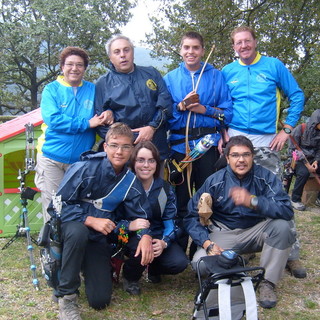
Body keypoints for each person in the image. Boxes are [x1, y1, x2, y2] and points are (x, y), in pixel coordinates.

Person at [222, 26, 306, 278]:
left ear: (255, 42)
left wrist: (288, 129)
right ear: (233, 46)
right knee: (240, 195)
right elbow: (220, 105)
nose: (243, 46)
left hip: (268, 142)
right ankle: (247, 246)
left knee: (276, 195)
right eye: (238, 42)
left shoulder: (273, 66)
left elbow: (297, 95)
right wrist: (222, 133)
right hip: (236, 142)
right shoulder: (228, 71)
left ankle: (291, 253)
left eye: (247, 41)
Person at [48, 123, 154, 320]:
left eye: (125, 146)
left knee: (100, 301)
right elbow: (56, 207)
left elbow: (141, 214)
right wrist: (89, 219)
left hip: (98, 238)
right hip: (73, 228)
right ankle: (67, 296)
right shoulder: (83, 168)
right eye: (114, 145)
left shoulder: (130, 181)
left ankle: (80, 266)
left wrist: (145, 237)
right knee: (78, 233)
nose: (119, 151)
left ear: (132, 149)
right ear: (105, 147)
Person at [184, 135, 296, 309]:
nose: (241, 160)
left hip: (256, 230)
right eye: (235, 155)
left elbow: (286, 210)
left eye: (246, 154)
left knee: (282, 227)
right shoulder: (214, 181)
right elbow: (190, 216)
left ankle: (267, 282)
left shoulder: (265, 177)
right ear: (227, 158)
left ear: (253, 156)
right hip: (223, 232)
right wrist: (207, 244)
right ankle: (236, 260)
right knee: (200, 265)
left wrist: (253, 201)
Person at [163, 31, 233, 251]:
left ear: (202, 50)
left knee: (207, 199)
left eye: (195, 47)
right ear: (181, 50)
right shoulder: (170, 79)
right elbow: (163, 115)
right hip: (179, 148)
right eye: (186, 47)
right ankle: (177, 249)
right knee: (180, 200)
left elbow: (228, 114)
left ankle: (202, 250)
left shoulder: (216, 76)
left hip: (208, 146)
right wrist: (181, 106)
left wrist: (205, 109)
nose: (190, 52)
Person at [35, 46, 105, 223]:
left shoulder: (92, 89)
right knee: (53, 207)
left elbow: (103, 109)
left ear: (85, 68)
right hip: (52, 159)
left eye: (79, 65)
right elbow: (54, 120)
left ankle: (73, 248)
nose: (74, 68)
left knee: (77, 206)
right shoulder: (51, 90)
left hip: (80, 161)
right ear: (62, 67)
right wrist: (87, 124)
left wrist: (108, 113)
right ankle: (52, 249)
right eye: (70, 64)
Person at [94, 34, 173, 163]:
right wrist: (128, 140)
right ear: (110, 57)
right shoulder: (103, 83)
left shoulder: (151, 73)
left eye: (126, 50)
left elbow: (166, 105)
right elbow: (101, 124)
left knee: (156, 183)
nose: (122, 55)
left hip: (156, 147)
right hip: (124, 155)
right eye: (117, 52)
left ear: (133, 52)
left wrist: (151, 128)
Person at [130, 141, 189, 285]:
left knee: (179, 262)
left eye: (151, 161)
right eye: (141, 160)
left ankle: (154, 269)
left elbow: (171, 221)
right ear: (133, 162)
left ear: (157, 164)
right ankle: (129, 276)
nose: (146, 165)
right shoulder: (125, 186)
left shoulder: (164, 189)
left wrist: (164, 242)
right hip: (129, 234)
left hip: (157, 234)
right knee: (138, 248)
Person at [288, 109, 320, 210]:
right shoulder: (300, 129)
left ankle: (319, 199)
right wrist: (307, 165)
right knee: (304, 173)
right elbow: (293, 150)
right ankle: (295, 200)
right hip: (298, 160)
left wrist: (316, 161)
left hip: (313, 159)